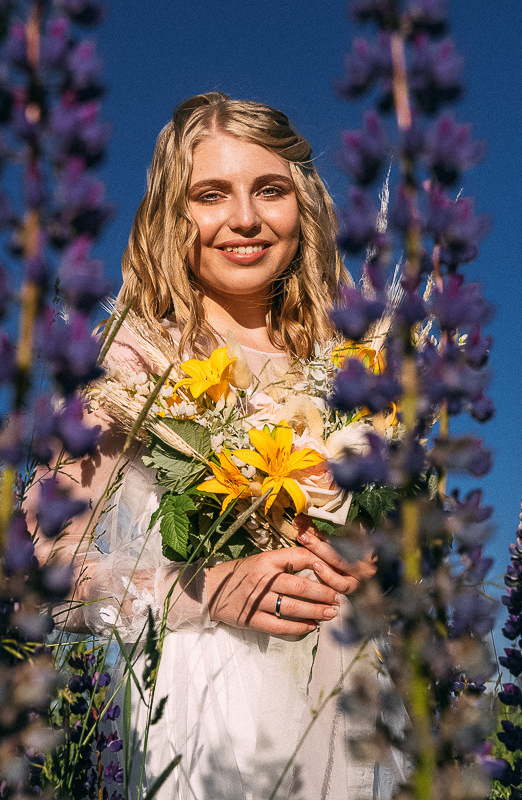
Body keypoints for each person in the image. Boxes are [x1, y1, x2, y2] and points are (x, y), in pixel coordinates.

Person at [29, 92, 407, 800]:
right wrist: (201, 592)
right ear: (174, 216)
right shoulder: (129, 359)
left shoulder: (351, 355)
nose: (244, 219)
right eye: (211, 194)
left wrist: (376, 556)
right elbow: (42, 563)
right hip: (208, 708)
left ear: (305, 204)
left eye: (270, 190)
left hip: (348, 694)